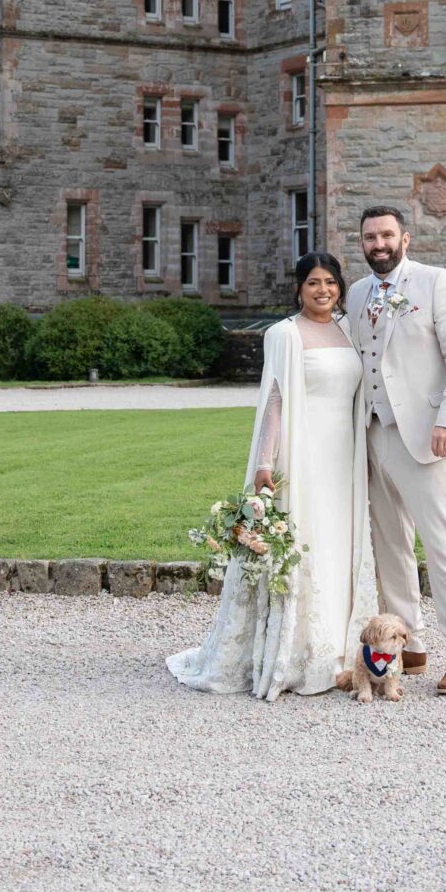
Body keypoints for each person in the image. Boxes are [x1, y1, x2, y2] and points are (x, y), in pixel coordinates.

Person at [167, 252, 376, 700]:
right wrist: (265, 461)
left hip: (345, 457)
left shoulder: (349, 331)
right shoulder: (284, 334)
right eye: (314, 283)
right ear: (298, 288)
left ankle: (340, 649)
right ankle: (299, 651)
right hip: (301, 457)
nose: (324, 291)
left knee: (340, 543)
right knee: (307, 541)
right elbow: (275, 401)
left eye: (331, 283)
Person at [347, 204, 446, 696]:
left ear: (405, 238)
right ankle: (408, 644)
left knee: (442, 544)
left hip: (429, 434)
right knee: (390, 548)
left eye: (386, 235)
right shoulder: (358, 293)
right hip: (374, 432)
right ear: (361, 243)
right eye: (369, 237)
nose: (378, 244)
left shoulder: (436, 282)